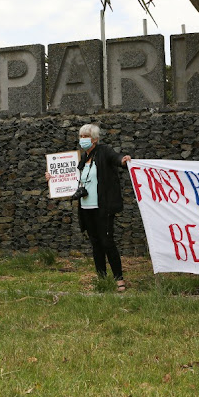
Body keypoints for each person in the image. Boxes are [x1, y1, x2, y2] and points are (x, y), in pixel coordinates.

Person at [47, 123, 132, 292]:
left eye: (86, 136)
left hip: (103, 206)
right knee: (95, 243)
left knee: (107, 242)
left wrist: (123, 160)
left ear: (95, 139)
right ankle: (102, 279)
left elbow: (116, 158)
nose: (82, 139)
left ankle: (119, 278)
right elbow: (70, 179)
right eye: (81, 136)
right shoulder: (82, 158)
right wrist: (52, 177)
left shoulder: (104, 151)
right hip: (86, 207)